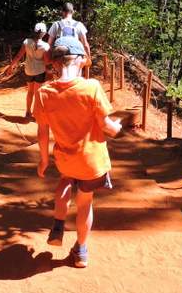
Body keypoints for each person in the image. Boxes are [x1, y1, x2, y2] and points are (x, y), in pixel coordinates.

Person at [33, 36, 121, 268]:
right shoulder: (91, 87)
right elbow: (106, 127)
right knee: (85, 203)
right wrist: (118, 127)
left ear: (53, 63)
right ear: (80, 60)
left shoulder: (44, 92)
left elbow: (42, 132)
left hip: (64, 158)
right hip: (92, 161)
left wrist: (43, 160)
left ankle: (58, 224)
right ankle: (81, 251)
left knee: (65, 180)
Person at [6, 22, 50, 119]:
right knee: (38, 93)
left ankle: (28, 112)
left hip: (29, 70)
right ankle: (36, 113)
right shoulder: (46, 46)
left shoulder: (26, 42)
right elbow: (46, 61)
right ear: (44, 33)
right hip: (40, 71)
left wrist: (10, 67)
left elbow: (18, 56)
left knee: (30, 91)